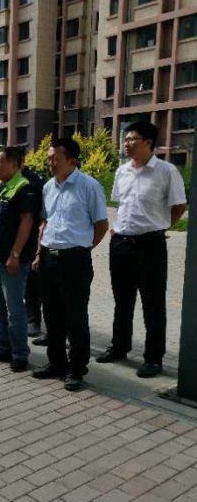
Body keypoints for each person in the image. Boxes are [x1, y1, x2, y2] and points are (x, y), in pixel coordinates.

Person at [97, 121, 187, 378]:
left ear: (148, 142)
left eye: (132, 139)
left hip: (150, 246)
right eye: (125, 139)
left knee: (153, 303)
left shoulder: (166, 171)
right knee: (122, 301)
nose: (126, 143)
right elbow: (121, 204)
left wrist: (162, 227)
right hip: (121, 245)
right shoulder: (122, 171)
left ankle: (153, 358)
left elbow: (179, 206)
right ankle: (119, 347)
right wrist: (118, 228)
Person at [31, 138, 109, 391]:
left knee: (75, 317)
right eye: (49, 158)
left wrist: (81, 249)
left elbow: (101, 225)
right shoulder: (48, 187)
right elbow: (46, 222)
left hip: (74, 260)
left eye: (55, 158)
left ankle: (77, 369)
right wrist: (40, 253)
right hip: (48, 256)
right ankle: (56, 363)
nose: (50, 163)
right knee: (52, 315)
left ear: (72, 161)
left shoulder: (89, 186)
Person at [0, 147, 38, 372]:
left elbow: (27, 222)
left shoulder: (24, 187)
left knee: (15, 310)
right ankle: (2, 347)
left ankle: (20, 353)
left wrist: (15, 254)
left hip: (11, 261)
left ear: (14, 164)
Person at [21, 154, 45, 339]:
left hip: (31, 238)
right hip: (12, 238)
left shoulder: (34, 181)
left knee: (32, 281)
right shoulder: (7, 182)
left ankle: (33, 319)